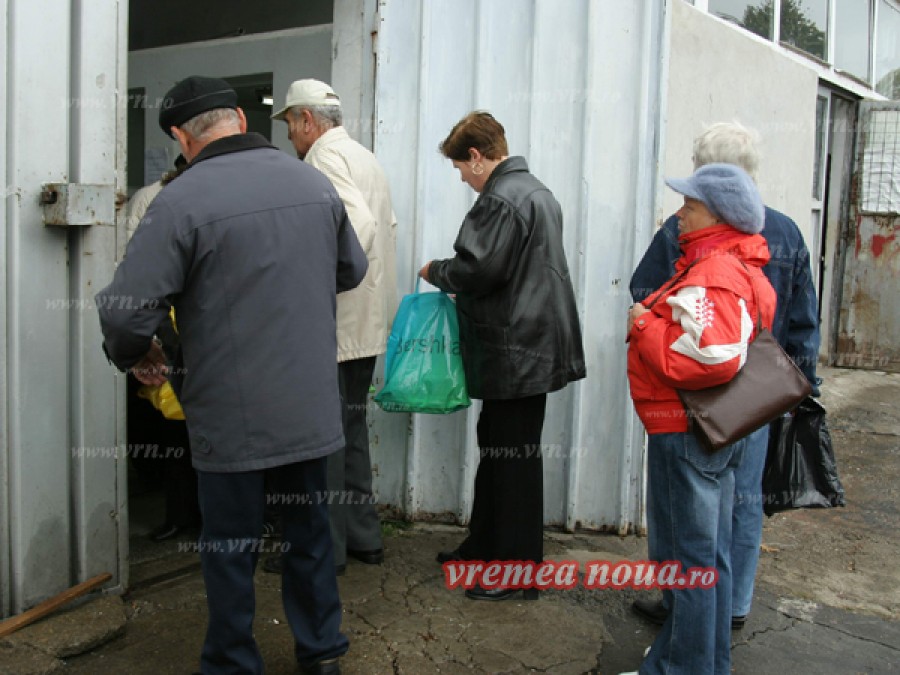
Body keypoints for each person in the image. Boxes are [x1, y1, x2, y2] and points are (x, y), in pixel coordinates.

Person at [96, 75, 367, 675]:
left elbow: (124, 313)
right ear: (241, 119)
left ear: (179, 136)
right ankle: (321, 655)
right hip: (308, 406)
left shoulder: (181, 201)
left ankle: (232, 662)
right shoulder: (313, 182)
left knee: (229, 546)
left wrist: (137, 356)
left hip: (230, 413)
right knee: (310, 535)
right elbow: (351, 269)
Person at [629, 122, 820, 632]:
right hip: (761, 391)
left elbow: (645, 289)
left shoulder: (688, 231)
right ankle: (732, 606)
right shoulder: (786, 231)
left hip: (699, 397)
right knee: (742, 503)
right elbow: (803, 319)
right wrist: (805, 391)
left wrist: (649, 327)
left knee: (689, 516)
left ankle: (684, 610)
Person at [418, 111, 586, 601]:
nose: (463, 180)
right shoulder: (537, 191)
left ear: (476, 156)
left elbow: (477, 269)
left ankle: (516, 573)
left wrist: (435, 270)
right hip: (529, 345)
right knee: (499, 446)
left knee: (511, 458)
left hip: (517, 349)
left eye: (460, 169)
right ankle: (486, 546)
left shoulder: (501, 198)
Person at [624, 163, 776, 674]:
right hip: (713, 429)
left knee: (689, 564)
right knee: (711, 561)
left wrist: (645, 325)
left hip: (686, 432)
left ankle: (681, 669)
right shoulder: (735, 266)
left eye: (689, 205)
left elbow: (712, 357)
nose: (679, 214)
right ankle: (707, 664)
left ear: (718, 214)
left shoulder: (713, 272)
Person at [270, 78, 398, 574]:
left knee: (324, 438)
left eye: (290, 125)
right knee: (350, 429)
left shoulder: (322, 159)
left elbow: (358, 226)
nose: (289, 138)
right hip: (365, 324)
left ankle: (325, 551)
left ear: (306, 120)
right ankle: (364, 537)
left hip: (340, 324)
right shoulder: (363, 156)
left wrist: (316, 282)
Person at [124, 154, 200, 542]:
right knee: (178, 432)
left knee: (188, 435)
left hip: (190, 331)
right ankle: (184, 516)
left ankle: (190, 518)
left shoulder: (182, 203)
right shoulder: (163, 204)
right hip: (174, 328)